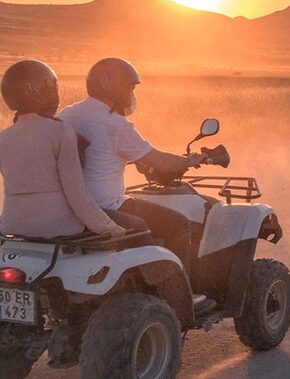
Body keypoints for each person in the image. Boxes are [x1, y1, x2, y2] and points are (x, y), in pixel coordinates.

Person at [58, 58, 205, 277]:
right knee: (178, 224)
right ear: (114, 87)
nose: (132, 94)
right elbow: (161, 161)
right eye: (131, 87)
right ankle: (178, 289)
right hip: (108, 206)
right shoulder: (117, 125)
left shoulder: (66, 114)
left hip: (69, 205)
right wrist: (188, 161)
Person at [0, 60, 126, 238]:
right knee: (137, 231)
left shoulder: (3, 137)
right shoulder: (60, 131)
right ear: (49, 92)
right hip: (57, 227)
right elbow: (76, 193)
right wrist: (110, 228)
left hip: (11, 225)